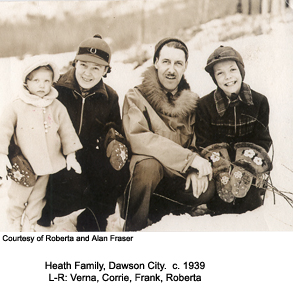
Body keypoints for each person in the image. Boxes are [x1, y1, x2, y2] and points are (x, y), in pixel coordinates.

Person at [37, 34, 129, 231]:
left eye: (96, 67)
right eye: (84, 65)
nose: (88, 73)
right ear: (75, 63)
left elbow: (113, 126)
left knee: (118, 173)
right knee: (52, 211)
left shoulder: (110, 96)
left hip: (90, 164)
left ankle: (92, 218)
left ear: (106, 70)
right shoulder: (56, 88)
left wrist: (114, 141)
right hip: (59, 163)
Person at [121, 37, 214, 231]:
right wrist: (189, 160)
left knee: (207, 187)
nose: (171, 70)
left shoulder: (192, 102)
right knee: (149, 166)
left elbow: (196, 142)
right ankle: (134, 227)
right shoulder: (135, 96)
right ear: (156, 62)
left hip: (175, 178)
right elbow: (139, 138)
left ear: (185, 66)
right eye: (166, 62)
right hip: (144, 181)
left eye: (178, 63)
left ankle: (166, 215)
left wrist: (194, 168)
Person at [0, 56, 82, 231]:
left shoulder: (56, 106)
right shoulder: (17, 106)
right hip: (24, 164)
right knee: (18, 196)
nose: (42, 85)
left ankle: (31, 223)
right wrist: (1, 153)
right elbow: (3, 129)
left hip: (47, 163)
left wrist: (71, 154)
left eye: (47, 81)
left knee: (38, 197)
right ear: (27, 82)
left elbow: (67, 131)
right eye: (36, 80)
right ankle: (14, 221)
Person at [195, 45, 273, 214]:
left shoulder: (259, 102)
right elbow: (203, 142)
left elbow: (263, 139)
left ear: (241, 71)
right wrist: (221, 170)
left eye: (232, 69)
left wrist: (246, 166)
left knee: (250, 205)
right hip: (220, 169)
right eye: (220, 73)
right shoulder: (205, 105)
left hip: (248, 167)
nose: (228, 77)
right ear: (214, 78)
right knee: (222, 206)